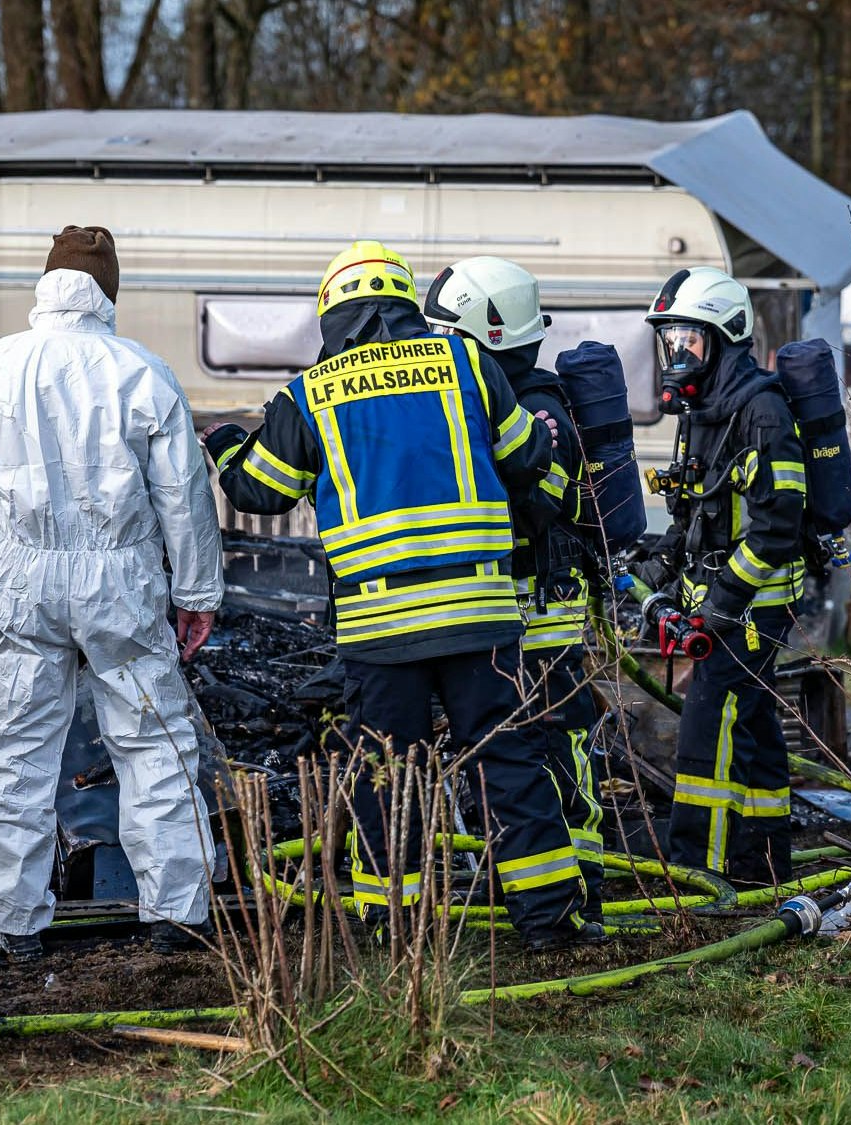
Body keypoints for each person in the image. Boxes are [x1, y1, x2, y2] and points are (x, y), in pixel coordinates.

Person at [204, 241, 599, 950]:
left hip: (380, 630)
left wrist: (231, 441)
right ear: (404, 301)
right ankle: (549, 917)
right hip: (481, 616)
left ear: (333, 314)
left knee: (388, 771)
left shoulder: (310, 394)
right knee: (507, 758)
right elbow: (526, 460)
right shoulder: (469, 363)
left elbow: (258, 489)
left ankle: (397, 922)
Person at [0, 226, 225, 962]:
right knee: (153, 742)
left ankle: (13, 922)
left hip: (22, 573)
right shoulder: (143, 371)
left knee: (17, 750)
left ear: (47, 283)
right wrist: (197, 593)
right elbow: (183, 493)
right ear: (108, 292)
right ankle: (174, 912)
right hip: (119, 579)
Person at [423, 256, 606, 922]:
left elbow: (536, 508)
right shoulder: (490, 396)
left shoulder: (536, 406)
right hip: (503, 611)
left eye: (448, 332)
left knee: (556, 750)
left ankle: (581, 889)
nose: (436, 345)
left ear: (486, 334)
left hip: (542, 612)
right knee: (512, 754)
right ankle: (531, 883)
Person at [633, 266, 806, 888]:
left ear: (724, 336)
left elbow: (776, 526)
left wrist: (726, 602)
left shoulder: (760, 411)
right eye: (670, 338)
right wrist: (660, 567)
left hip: (756, 603)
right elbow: (698, 509)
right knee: (754, 730)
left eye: (689, 337)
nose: (677, 351)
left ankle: (695, 872)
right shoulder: (704, 408)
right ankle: (763, 868)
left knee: (707, 726)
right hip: (724, 600)